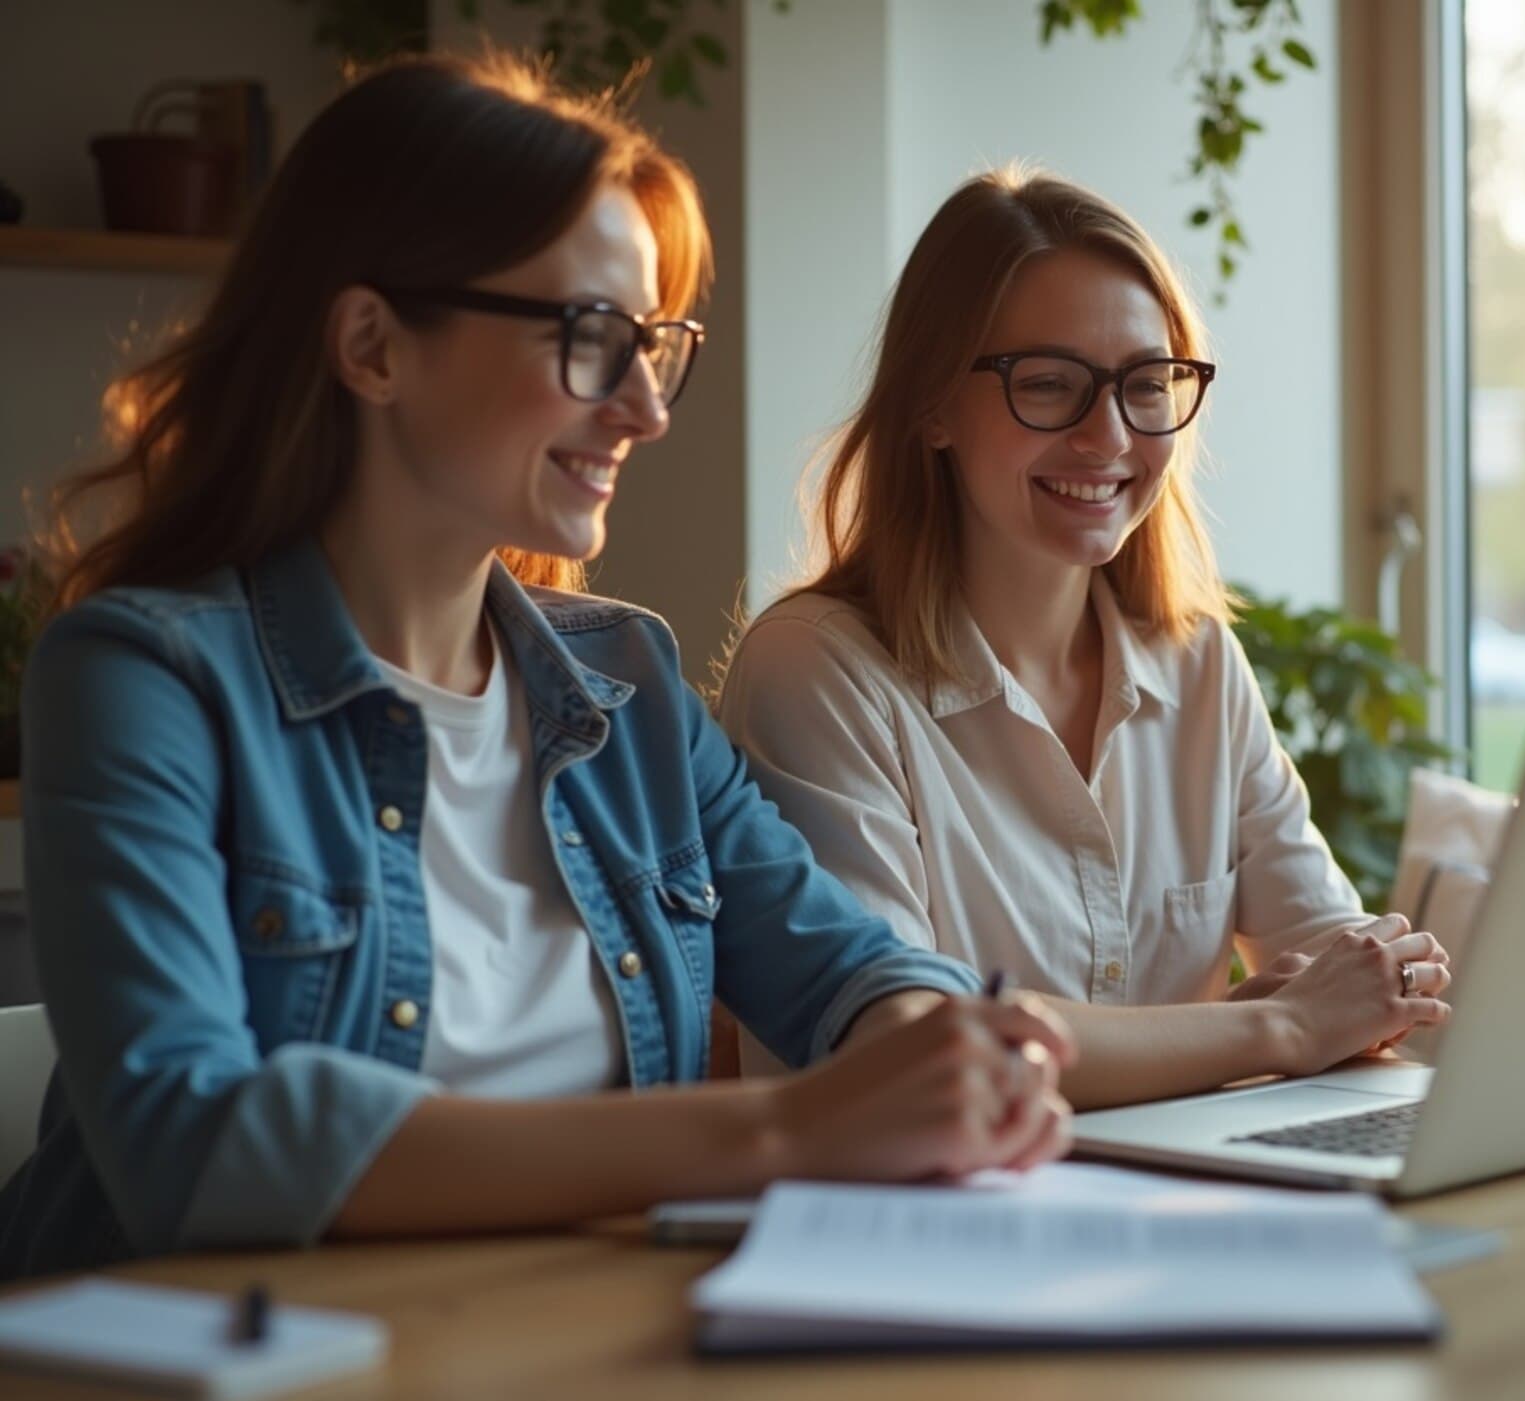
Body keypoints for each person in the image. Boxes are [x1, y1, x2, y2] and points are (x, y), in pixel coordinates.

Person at [0, 56, 1072, 1281]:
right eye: (588, 338)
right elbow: (193, 1141)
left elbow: (848, 964)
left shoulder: (628, 685)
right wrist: (785, 1127)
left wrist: (931, 1051)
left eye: (655, 347)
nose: (643, 409)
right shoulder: (143, 681)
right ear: (372, 345)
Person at [717, 168, 1451, 1107]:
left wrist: (1340, 1005)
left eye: (1147, 385)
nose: (1108, 436)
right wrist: (1271, 1026)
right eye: (1051, 384)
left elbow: (1350, 982)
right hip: (935, 1222)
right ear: (931, 407)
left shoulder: (1198, 667)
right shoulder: (819, 673)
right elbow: (909, 1054)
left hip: (1183, 1208)